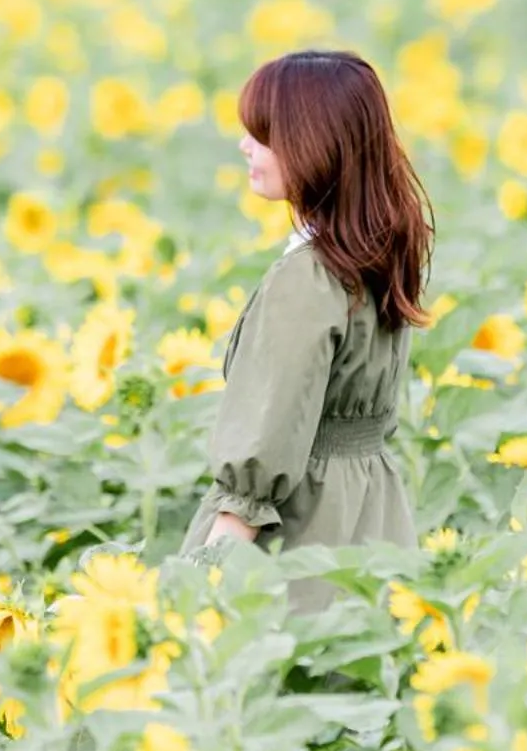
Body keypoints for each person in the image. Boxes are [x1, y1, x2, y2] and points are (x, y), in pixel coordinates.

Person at [179, 50, 435, 612]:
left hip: (302, 537)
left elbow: (263, 450)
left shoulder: (309, 278)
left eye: (263, 134)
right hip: (375, 521)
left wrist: (200, 585)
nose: (246, 146)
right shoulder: (377, 259)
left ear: (311, 145)